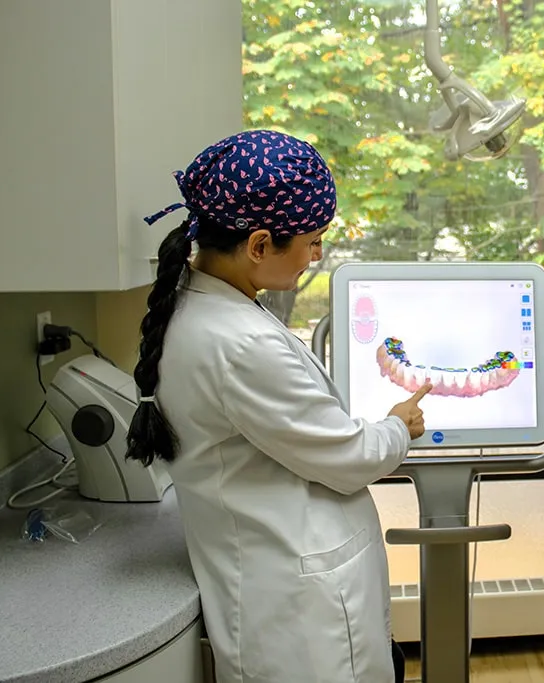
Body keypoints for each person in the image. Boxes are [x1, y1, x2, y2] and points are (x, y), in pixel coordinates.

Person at [126, 130, 431, 683]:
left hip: (285, 578)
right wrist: (397, 426)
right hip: (299, 616)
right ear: (260, 245)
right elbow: (349, 458)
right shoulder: (241, 343)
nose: (316, 256)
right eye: (312, 242)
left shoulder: (204, 308)